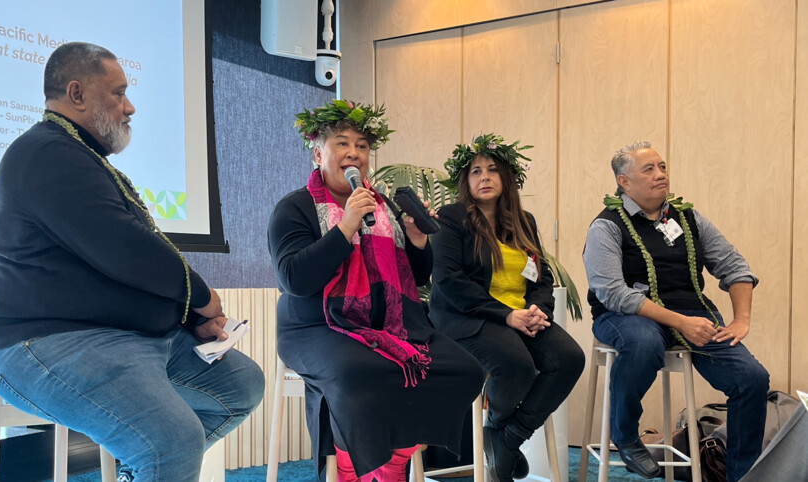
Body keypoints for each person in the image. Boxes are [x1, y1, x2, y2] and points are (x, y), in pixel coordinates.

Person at [0, 42, 265, 482]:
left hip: (129, 336)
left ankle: (148, 468)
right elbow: (128, 250)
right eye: (119, 93)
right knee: (173, 439)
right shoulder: (46, 153)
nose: (130, 107)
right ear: (77, 94)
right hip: (47, 341)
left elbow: (124, 260)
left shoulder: (82, 157)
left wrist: (189, 320)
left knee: (241, 384)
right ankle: (157, 461)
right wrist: (203, 299)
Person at [268, 99, 485, 482]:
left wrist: (418, 241)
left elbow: (415, 277)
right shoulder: (294, 208)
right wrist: (346, 226)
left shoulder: (381, 207)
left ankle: (394, 464)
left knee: (464, 370)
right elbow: (294, 279)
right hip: (317, 326)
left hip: (392, 324)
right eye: (341, 143)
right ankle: (353, 472)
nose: (354, 153)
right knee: (359, 374)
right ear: (318, 153)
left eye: (363, 146)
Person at [582, 141, 770, 481]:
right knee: (644, 343)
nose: (661, 174)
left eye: (663, 166)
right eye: (649, 169)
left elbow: (734, 266)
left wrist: (741, 320)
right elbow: (613, 294)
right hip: (625, 316)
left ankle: (743, 476)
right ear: (624, 182)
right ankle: (625, 434)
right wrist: (681, 323)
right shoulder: (606, 226)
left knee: (751, 380)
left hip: (691, 313)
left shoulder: (689, 218)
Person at [428, 133, 585, 482]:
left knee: (570, 359)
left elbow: (541, 279)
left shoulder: (524, 221)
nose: (484, 177)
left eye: (493, 170)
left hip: (521, 315)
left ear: (507, 179)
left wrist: (537, 310)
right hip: (467, 317)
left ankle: (505, 436)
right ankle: (503, 438)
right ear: (465, 181)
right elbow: (448, 280)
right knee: (516, 365)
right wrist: (507, 315)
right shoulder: (452, 219)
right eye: (475, 171)